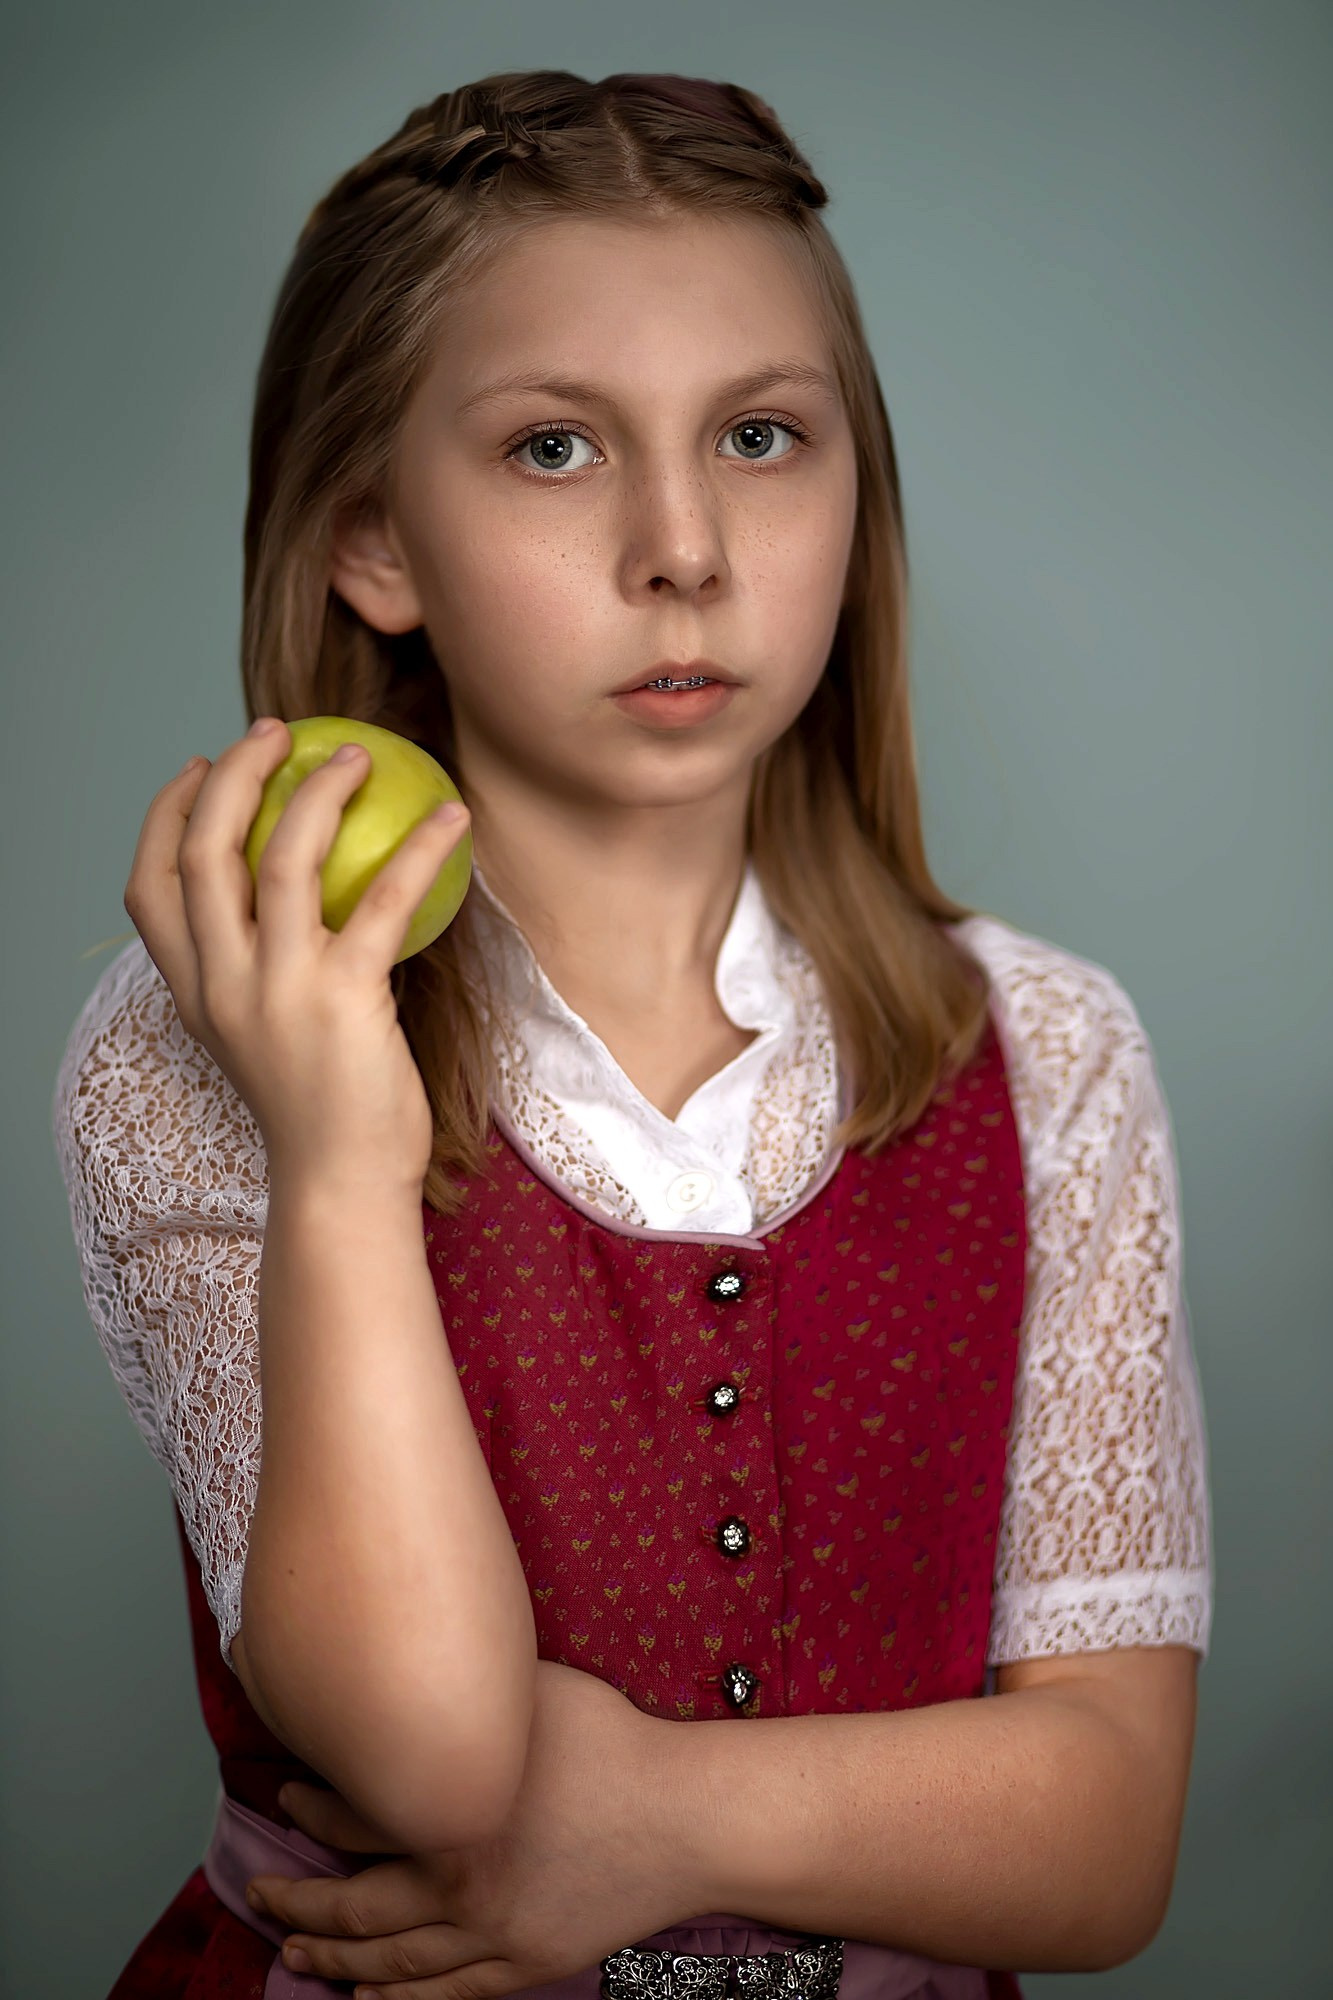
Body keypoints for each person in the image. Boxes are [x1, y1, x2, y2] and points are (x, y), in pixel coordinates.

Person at [50, 68, 1213, 2000]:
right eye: (554, 451)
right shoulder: (212, 1026)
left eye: (761, 434)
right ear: (373, 540)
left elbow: (1105, 1840)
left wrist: (661, 1813)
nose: (683, 546)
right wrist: (341, 1146)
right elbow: (428, 1761)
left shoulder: (1051, 1047)